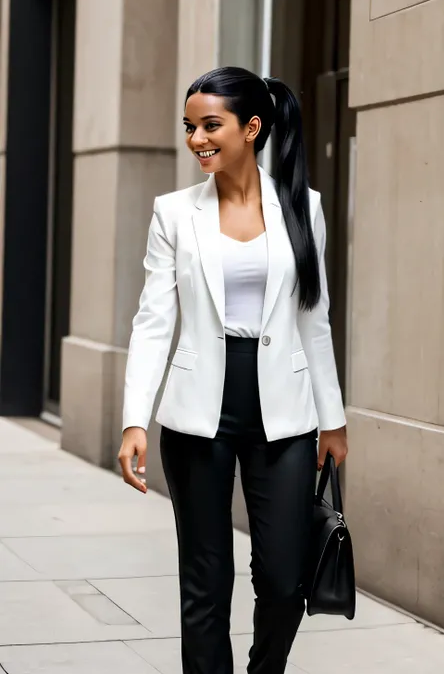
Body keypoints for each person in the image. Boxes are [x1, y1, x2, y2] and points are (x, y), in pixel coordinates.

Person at [118, 66, 348, 674]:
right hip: (198, 413)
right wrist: (134, 419)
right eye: (189, 127)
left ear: (251, 128)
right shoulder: (174, 214)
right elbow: (153, 320)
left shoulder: (304, 208)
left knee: (282, 577)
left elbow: (314, 319)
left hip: (286, 412)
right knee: (205, 577)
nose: (196, 139)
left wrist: (334, 420)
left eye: (209, 125)